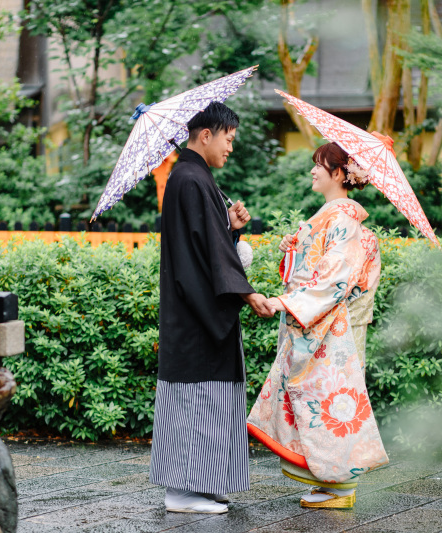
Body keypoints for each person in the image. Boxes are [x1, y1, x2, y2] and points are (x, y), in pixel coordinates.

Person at [149, 101, 276, 514]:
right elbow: (204, 259)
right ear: (206, 134)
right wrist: (245, 293)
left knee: (204, 399)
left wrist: (231, 228)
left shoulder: (190, 177)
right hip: (196, 316)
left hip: (196, 312)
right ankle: (182, 490)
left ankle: (197, 485)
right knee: (196, 400)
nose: (230, 148)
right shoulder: (190, 180)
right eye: (228, 138)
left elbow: (208, 247)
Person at [247, 141, 389, 509]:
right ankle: (330, 483)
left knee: (326, 402)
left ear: (339, 173)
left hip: (326, 326)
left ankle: (340, 485)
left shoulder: (342, 219)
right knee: (320, 401)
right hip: (313, 323)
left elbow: (333, 280)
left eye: (320, 165)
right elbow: (315, 266)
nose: (313, 170)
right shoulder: (332, 215)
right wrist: (294, 249)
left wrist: (283, 300)